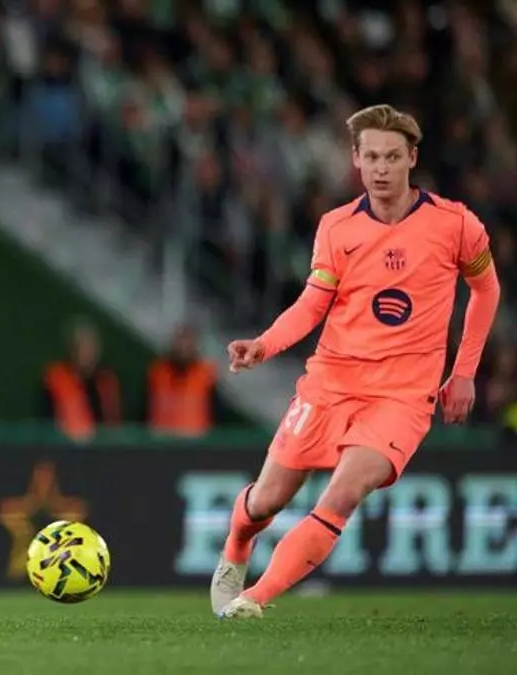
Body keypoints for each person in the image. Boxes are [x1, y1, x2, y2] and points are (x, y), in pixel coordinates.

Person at [211, 104, 501, 619]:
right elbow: (313, 304)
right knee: (267, 501)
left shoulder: (455, 224)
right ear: (356, 160)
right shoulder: (337, 227)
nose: (381, 168)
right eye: (372, 157)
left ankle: (254, 599)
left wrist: (463, 373)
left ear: (412, 159)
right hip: (330, 383)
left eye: (392, 157)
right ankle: (237, 545)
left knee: (344, 494)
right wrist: (265, 344)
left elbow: (486, 289)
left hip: (402, 395)